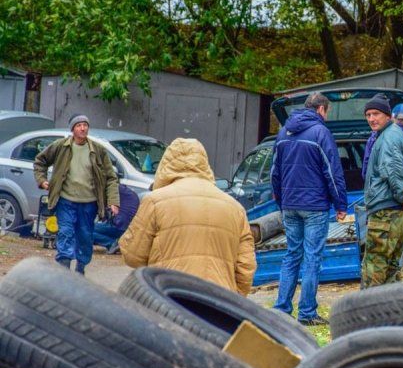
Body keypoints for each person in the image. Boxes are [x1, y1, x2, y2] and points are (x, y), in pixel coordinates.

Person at [119, 138, 255, 295]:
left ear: (166, 164)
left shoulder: (154, 201)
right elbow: (246, 267)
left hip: (169, 298)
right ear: (204, 164)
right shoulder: (235, 208)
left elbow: (132, 255)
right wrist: (233, 298)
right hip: (218, 302)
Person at [271, 92, 347, 325]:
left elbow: (275, 172)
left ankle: (282, 310)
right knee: (312, 257)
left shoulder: (283, 131)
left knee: (292, 255)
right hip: (314, 206)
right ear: (321, 109)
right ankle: (307, 313)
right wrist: (340, 204)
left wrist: (281, 201)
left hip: (290, 204)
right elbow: (332, 172)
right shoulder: (320, 132)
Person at [34, 114, 120, 275]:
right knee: (65, 232)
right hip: (65, 200)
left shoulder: (97, 150)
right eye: (79, 125)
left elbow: (111, 178)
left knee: (85, 236)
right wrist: (42, 180)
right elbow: (40, 161)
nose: (83, 128)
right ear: (73, 129)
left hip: (89, 203)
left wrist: (113, 202)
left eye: (85, 125)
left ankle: (80, 269)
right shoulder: (61, 146)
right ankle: (64, 271)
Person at [361, 94, 403, 287]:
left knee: (375, 266)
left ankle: (365, 314)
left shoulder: (388, 137)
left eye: (376, 114)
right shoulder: (395, 134)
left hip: (386, 212)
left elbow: (393, 171)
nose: (371, 119)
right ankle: (391, 313)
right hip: (395, 210)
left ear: (388, 115)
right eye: (368, 114)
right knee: (393, 266)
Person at [93, 183, 140, 254]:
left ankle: (111, 243)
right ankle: (118, 242)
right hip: (130, 228)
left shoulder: (111, 190)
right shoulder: (127, 191)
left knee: (85, 229)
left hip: (119, 226)